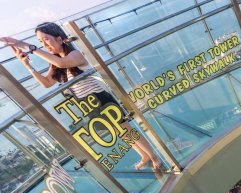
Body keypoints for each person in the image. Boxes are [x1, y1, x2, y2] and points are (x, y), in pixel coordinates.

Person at [1, 22, 162, 170]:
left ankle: (154, 157)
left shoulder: (75, 54)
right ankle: (144, 155)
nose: (44, 45)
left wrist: (26, 45)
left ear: (60, 38)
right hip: (87, 104)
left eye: (46, 40)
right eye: (41, 41)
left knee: (126, 129)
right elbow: (46, 83)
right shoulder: (56, 61)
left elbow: (62, 64)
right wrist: (27, 65)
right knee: (119, 132)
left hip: (100, 98)